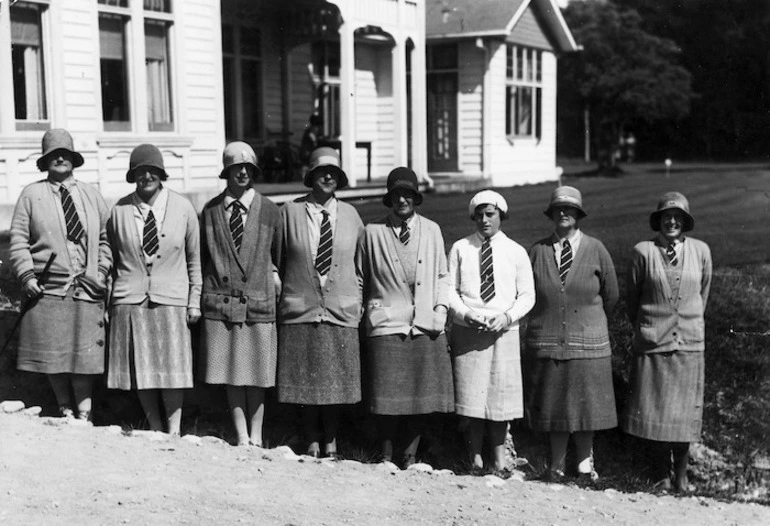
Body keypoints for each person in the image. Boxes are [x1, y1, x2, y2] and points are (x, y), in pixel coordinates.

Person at [10, 129, 110, 422]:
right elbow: (18, 239)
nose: (60, 159)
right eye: (54, 155)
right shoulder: (32, 194)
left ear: (74, 160)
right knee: (53, 355)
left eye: (65, 154)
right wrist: (27, 275)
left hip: (87, 286)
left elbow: (106, 238)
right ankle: (64, 408)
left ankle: (84, 412)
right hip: (49, 287)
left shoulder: (91, 195)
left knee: (84, 356)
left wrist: (101, 271)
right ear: (45, 161)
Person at [357, 167, 454, 468]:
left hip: (425, 323)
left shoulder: (432, 229)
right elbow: (360, 278)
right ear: (389, 199)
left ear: (415, 197)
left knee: (420, 397)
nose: (403, 200)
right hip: (386, 323)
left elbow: (442, 275)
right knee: (386, 396)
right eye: (397, 194)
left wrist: (440, 310)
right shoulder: (372, 232)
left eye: (408, 194)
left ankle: (410, 456)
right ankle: (385, 457)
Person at [106, 144, 202, 435]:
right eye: (140, 171)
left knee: (173, 369)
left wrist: (194, 300)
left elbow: (195, 260)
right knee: (141, 368)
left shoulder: (183, 208)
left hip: (171, 299)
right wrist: (108, 304)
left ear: (162, 174)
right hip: (130, 299)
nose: (146, 176)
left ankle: (174, 429)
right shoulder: (120, 210)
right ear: (132, 176)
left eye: (153, 171)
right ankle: (155, 428)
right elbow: (110, 260)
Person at [525, 186, 619, 481]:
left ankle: (584, 463)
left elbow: (612, 294)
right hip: (549, 340)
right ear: (551, 214)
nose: (563, 213)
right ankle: (556, 463)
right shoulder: (538, 251)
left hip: (588, 341)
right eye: (558, 209)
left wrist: (588, 319)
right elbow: (528, 294)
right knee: (555, 405)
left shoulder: (596, 249)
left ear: (578, 215)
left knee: (586, 403)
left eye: (570, 209)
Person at [275, 146, 363, 458]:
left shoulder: (351, 215)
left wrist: (356, 299)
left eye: (334, 173)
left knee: (336, 382)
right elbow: (277, 260)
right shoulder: (289, 212)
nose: (327, 177)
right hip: (301, 309)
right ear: (310, 177)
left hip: (340, 309)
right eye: (321, 172)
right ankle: (310, 438)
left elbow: (360, 265)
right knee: (305, 380)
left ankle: (332, 439)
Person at [622, 192, 712, 493]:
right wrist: (651, 326)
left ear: (685, 222)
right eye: (666, 217)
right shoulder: (643, 251)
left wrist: (686, 321)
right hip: (654, 342)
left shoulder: (700, 251)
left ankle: (682, 476)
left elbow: (703, 294)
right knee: (656, 411)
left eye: (677, 217)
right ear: (658, 221)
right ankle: (661, 474)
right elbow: (632, 299)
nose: (671, 221)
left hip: (689, 343)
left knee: (684, 413)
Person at [199, 142, 281, 447]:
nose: (242, 173)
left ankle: (257, 435)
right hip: (221, 304)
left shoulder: (270, 210)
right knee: (230, 371)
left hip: (258, 302)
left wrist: (272, 276)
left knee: (258, 373)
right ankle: (241, 435)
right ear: (227, 173)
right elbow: (203, 256)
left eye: (248, 169)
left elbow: (278, 254)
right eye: (236, 168)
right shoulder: (210, 211)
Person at [447, 190, 535, 475]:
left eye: (490, 214)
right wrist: (465, 314)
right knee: (472, 397)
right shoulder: (461, 248)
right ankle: (473, 458)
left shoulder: (516, 251)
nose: (484, 220)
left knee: (500, 398)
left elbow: (527, 296)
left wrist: (506, 317)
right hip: (468, 331)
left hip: (503, 332)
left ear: (501, 216)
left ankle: (499, 460)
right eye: (479, 215)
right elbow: (449, 290)